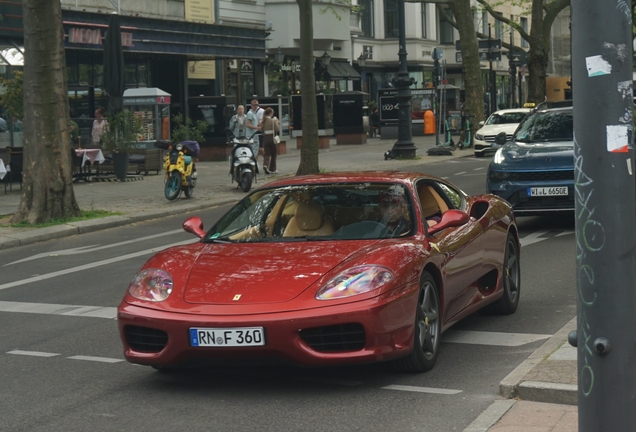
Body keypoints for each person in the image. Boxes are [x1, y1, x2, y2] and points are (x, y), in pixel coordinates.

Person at [261, 108, 280, 174]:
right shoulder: (272, 120)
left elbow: (262, 130)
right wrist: (277, 122)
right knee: (273, 153)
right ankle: (272, 169)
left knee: (267, 153)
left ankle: (265, 165)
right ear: (270, 113)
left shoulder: (263, 121)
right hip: (272, 137)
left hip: (266, 138)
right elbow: (277, 129)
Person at [245, 100, 262, 170]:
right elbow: (247, 124)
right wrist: (257, 128)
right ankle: (252, 165)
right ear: (251, 105)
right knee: (253, 150)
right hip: (251, 136)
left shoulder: (254, 113)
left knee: (255, 150)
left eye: (257, 105)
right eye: (254, 105)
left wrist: (257, 125)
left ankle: (254, 164)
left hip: (254, 134)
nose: (256, 106)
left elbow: (253, 123)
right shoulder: (250, 113)